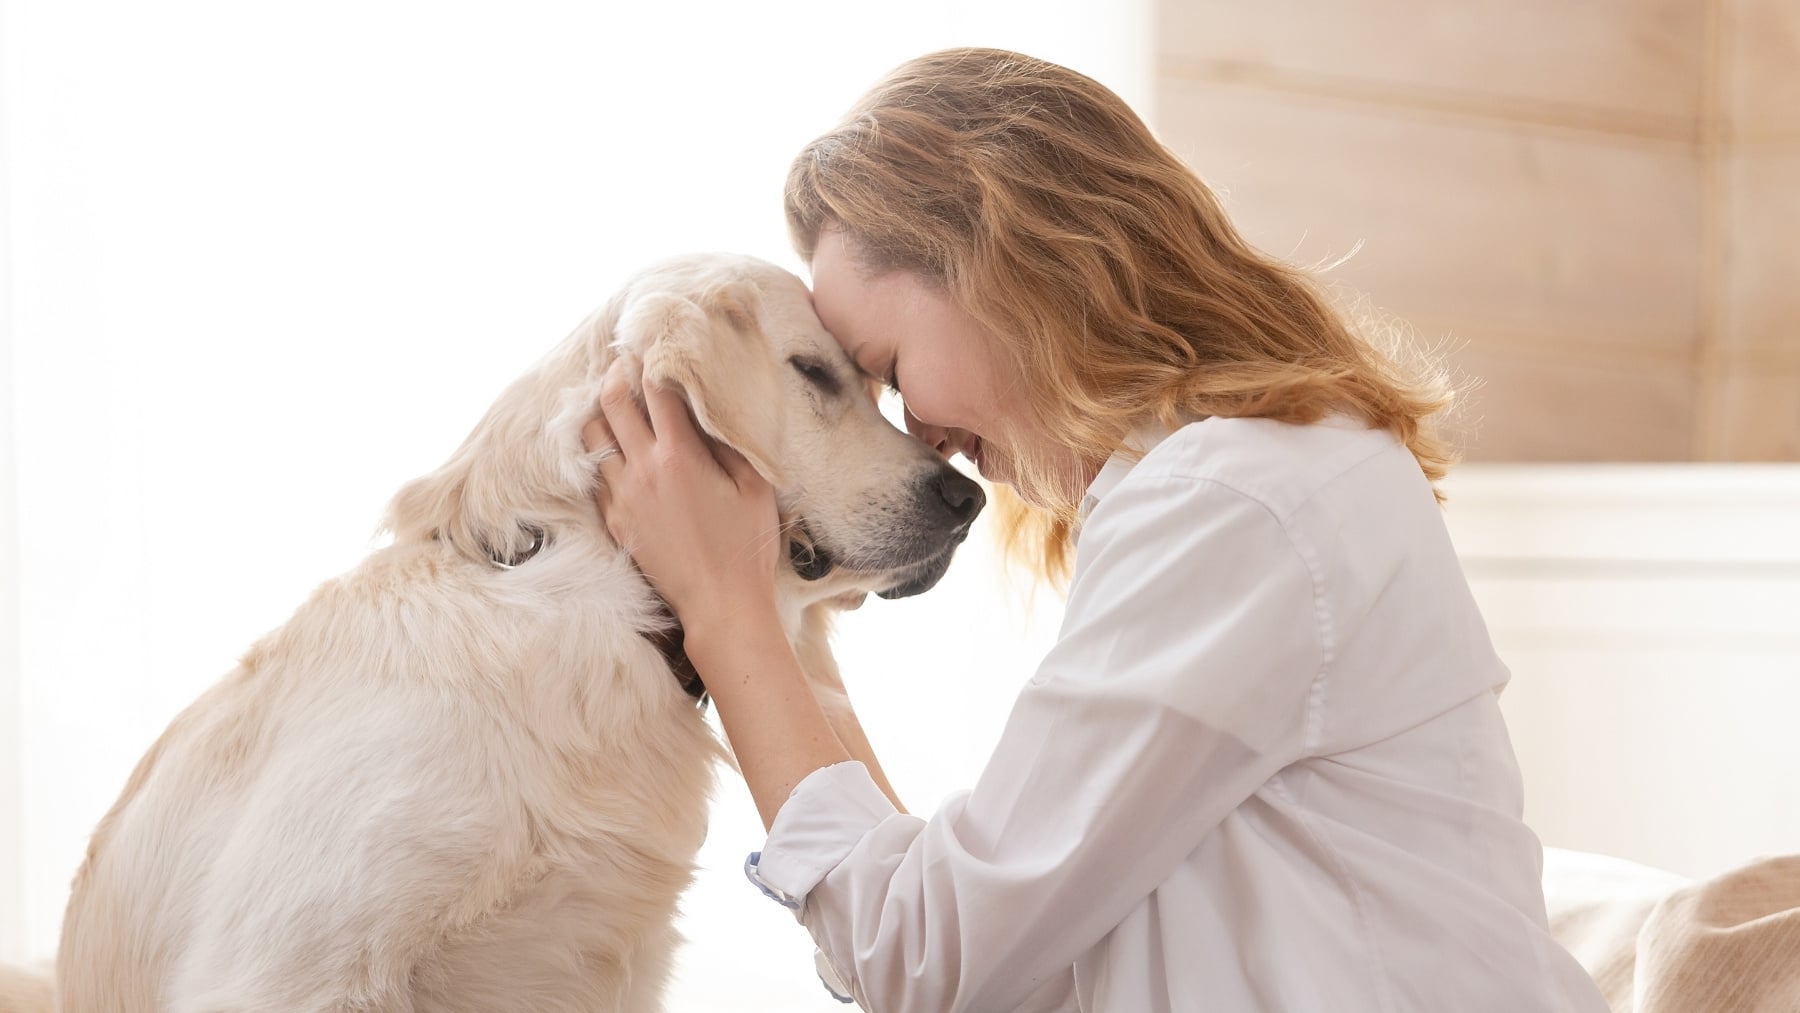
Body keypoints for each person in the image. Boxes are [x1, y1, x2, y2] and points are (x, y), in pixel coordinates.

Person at [585, 47, 1608, 1013]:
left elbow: (927, 954)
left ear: (1005, 265)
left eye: (892, 369)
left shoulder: (1234, 501)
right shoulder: (1248, 476)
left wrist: (727, 616)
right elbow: (1005, 953)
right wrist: (770, 604)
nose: (922, 435)